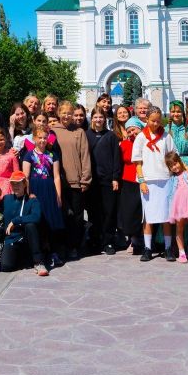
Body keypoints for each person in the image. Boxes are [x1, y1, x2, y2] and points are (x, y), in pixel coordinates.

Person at [131, 108, 175, 262]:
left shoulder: (166, 137)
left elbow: (172, 157)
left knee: (166, 217)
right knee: (148, 217)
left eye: (158, 121)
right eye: (152, 121)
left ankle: (168, 247)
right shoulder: (141, 138)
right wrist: (142, 181)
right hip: (148, 181)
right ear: (147, 120)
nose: (155, 124)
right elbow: (138, 162)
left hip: (165, 180)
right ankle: (148, 248)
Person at [51, 100, 91, 260]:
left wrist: (85, 179)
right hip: (59, 181)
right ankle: (62, 246)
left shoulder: (79, 132)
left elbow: (85, 156)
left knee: (76, 216)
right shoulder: (53, 131)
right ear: (59, 114)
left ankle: (74, 246)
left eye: (70, 113)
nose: (66, 116)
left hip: (76, 181)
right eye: (64, 113)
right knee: (61, 215)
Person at [21, 127, 64, 267]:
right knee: (39, 222)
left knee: (52, 223)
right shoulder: (28, 155)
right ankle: (39, 255)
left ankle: (53, 253)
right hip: (35, 191)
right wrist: (28, 194)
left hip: (50, 191)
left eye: (45, 137)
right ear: (34, 139)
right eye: (39, 137)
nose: (42, 140)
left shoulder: (53, 155)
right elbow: (26, 177)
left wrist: (58, 195)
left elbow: (56, 176)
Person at [86, 109, 122, 255]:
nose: (99, 119)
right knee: (94, 212)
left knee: (109, 212)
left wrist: (115, 177)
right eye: (96, 117)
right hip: (92, 180)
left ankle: (108, 241)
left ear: (105, 118)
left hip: (108, 180)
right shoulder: (86, 135)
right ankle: (95, 240)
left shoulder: (111, 136)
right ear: (92, 118)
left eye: (101, 117)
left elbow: (116, 158)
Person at [1, 170, 48, 276]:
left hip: (26, 239)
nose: (15, 186)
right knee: (6, 266)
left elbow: (36, 217)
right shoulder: (6, 199)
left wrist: (15, 220)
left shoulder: (32, 200)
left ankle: (38, 262)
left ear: (24, 184)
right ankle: (24, 260)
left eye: (18, 183)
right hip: (12, 239)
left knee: (31, 225)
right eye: (13, 183)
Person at [118, 117, 144, 254]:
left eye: (133, 129)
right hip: (128, 180)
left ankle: (143, 239)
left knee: (141, 212)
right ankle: (133, 240)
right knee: (130, 212)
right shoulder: (124, 144)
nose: (131, 133)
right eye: (129, 131)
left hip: (143, 180)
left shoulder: (145, 142)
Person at [167, 100, 188, 169]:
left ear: (182, 112)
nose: (176, 114)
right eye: (173, 111)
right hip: (171, 165)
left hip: (187, 164)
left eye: (178, 111)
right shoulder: (165, 130)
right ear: (170, 113)